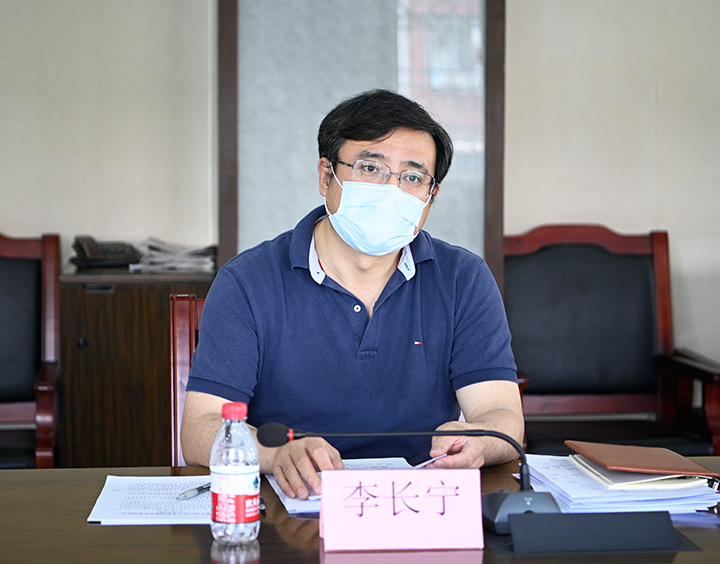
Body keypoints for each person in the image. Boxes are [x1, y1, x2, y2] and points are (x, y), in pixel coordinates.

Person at [182, 89, 523, 500]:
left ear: (430, 197)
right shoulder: (247, 281)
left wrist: (479, 440)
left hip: (421, 502)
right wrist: (275, 454)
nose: (391, 189)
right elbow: (200, 427)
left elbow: (500, 414)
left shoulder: (462, 278)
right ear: (327, 176)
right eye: (370, 168)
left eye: (413, 177)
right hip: (290, 504)